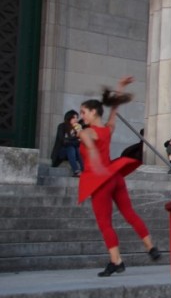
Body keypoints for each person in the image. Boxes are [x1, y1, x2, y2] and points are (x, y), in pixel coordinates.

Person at [77, 76, 160, 277]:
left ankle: (116, 261)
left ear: (93, 112)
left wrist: (90, 151)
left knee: (105, 223)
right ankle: (150, 247)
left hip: (100, 181)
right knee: (129, 213)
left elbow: (88, 142)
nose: (82, 115)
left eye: (83, 112)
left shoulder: (88, 132)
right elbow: (114, 110)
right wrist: (120, 88)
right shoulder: (107, 130)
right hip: (115, 176)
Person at [51, 110, 83, 177]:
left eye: (77, 118)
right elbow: (63, 141)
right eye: (73, 117)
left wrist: (77, 135)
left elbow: (79, 142)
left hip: (73, 153)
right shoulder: (62, 126)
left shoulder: (77, 128)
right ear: (69, 118)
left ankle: (83, 169)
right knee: (70, 148)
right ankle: (76, 171)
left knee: (77, 148)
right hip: (62, 152)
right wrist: (75, 137)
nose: (76, 119)